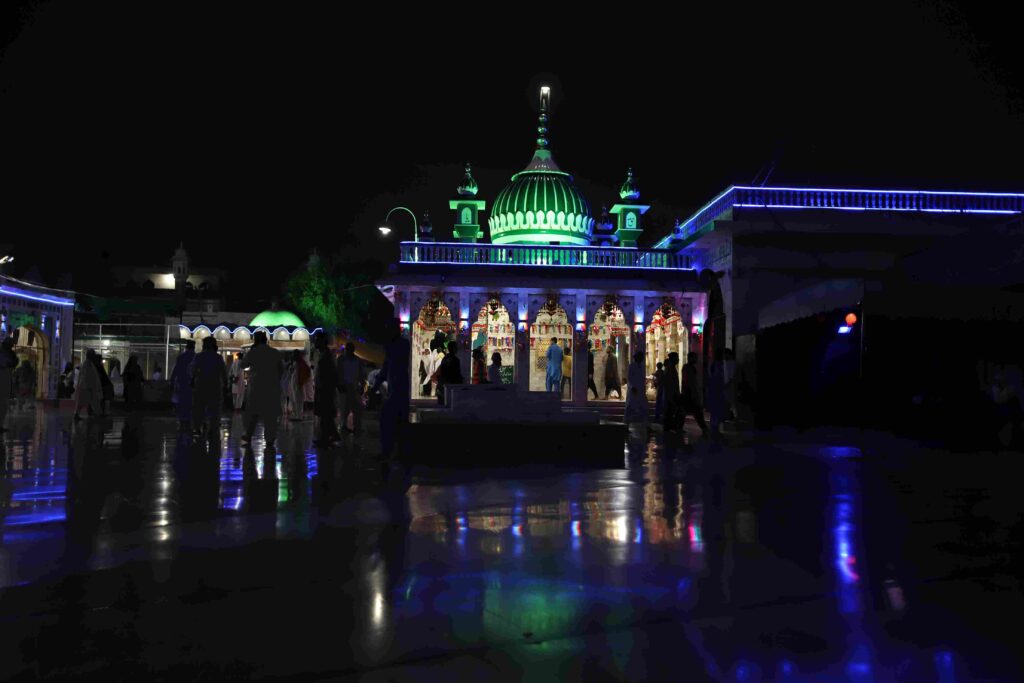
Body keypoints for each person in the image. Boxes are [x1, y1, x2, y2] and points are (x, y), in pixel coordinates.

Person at [373, 319, 411, 459]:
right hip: (398, 389)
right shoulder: (400, 345)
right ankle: (395, 452)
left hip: (398, 389)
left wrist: (375, 387)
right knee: (397, 422)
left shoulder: (399, 346)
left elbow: (386, 368)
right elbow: (386, 369)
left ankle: (390, 452)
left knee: (389, 420)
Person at [241, 331, 284, 449]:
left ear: (255, 341)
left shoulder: (253, 353)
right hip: (272, 388)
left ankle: (248, 436)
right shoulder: (275, 352)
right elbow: (281, 369)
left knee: (252, 414)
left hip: (256, 388)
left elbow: (243, 365)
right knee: (270, 417)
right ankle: (270, 440)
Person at [191, 336, 228, 437]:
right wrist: (226, 384)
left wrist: (192, 381)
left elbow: (192, 370)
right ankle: (213, 429)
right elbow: (224, 373)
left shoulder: (199, 356)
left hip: (201, 386)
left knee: (199, 408)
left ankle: (197, 428)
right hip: (215, 386)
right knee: (214, 410)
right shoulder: (218, 357)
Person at [312, 334, 339, 446]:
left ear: (323, 341)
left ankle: (327, 438)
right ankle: (330, 436)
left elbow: (330, 374)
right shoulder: (324, 354)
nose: (315, 342)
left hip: (325, 389)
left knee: (325, 414)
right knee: (324, 414)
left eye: (317, 340)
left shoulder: (327, 355)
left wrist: (325, 389)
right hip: (323, 388)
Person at [681, 351, 710, 437]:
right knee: (696, 411)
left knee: (687, 411)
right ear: (691, 358)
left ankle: (679, 427)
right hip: (689, 393)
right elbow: (688, 382)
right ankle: (704, 428)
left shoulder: (691, 368)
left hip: (690, 393)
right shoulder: (688, 368)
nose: (697, 359)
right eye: (695, 357)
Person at [170, 340, 197, 430]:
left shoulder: (181, 357)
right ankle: (189, 422)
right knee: (191, 403)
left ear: (186, 347)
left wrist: (172, 381)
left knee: (182, 403)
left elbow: (176, 370)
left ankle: (182, 422)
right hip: (193, 384)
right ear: (194, 347)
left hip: (182, 383)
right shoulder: (196, 357)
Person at [338, 342, 365, 433]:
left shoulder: (356, 360)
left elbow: (361, 374)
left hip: (354, 387)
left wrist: (362, 385)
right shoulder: (341, 359)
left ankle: (356, 426)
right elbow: (338, 374)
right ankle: (344, 426)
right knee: (344, 408)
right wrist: (339, 385)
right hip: (344, 387)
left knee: (356, 408)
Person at [625, 351, 649, 423]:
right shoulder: (632, 366)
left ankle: (644, 423)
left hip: (640, 389)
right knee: (630, 406)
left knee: (643, 406)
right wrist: (632, 387)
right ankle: (626, 422)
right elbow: (629, 378)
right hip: (634, 389)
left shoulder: (641, 366)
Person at [437, 340, 463, 406]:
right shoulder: (455, 360)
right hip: (452, 386)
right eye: (456, 347)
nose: (457, 349)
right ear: (454, 349)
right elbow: (456, 374)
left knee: (443, 405)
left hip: (443, 384)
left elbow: (442, 371)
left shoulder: (445, 358)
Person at [662, 352, 683, 432]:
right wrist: (673, 396)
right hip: (671, 395)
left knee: (670, 412)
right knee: (670, 412)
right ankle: (670, 428)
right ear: (673, 359)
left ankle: (671, 427)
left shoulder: (671, 368)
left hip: (671, 395)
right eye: (677, 358)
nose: (678, 359)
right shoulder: (670, 369)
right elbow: (669, 384)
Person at [0, 338, 17, 431]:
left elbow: (14, 362)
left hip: (6, 378)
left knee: (4, 404)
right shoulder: (3, 353)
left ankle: (1, 424)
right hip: (3, 378)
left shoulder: (10, 354)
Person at [290, 350, 310, 420]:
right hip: (295, 383)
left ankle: (299, 416)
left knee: (298, 400)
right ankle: (296, 415)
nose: (292, 356)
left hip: (298, 384)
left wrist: (302, 381)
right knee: (295, 399)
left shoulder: (301, 362)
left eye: (294, 354)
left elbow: (307, 371)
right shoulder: (297, 362)